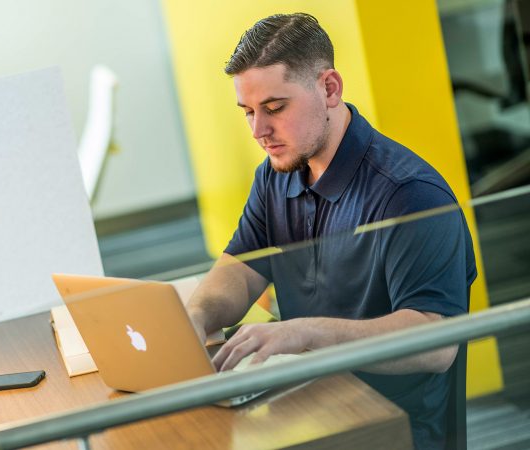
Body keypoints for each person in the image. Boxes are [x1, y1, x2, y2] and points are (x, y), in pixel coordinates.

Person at [185, 13, 476, 450]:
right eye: (248, 112)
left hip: (389, 426)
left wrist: (304, 333)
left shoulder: (410, 195)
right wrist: (195, 317)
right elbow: (241, 269)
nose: (258, 131)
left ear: (329, 88)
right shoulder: (276, 174)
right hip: (307, 401)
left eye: (275, 108)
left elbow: (435, 346)